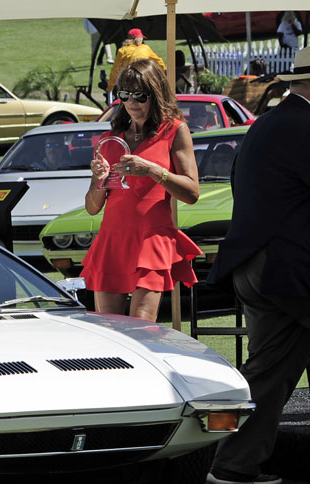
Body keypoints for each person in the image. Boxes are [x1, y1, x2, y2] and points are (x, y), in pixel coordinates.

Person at [205, 44, 310, 484]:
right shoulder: (305, 130)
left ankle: (227, 461)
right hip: (292, 271)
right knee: (265, 370)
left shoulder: (269, 124)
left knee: (265, 372)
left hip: (256, 267)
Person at [82, 58, 202, 322]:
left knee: (141, 324)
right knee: (110, 329)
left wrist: (152, 170)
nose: (132, 102)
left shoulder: (174, 130)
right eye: (124, 95)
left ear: (155, 94)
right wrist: (97, 179)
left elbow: (192, 193)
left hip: (152, 238)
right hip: (112, 238)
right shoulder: (109, 140)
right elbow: (93, 207)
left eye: (140, 95)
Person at [107, 28, 166, 93]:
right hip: (144, 77)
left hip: (128, 79)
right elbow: (159, 61)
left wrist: (110, 86)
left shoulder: (122, 50)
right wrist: (164, 71)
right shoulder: (146, 48)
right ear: (140, 38)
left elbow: (115, 69)